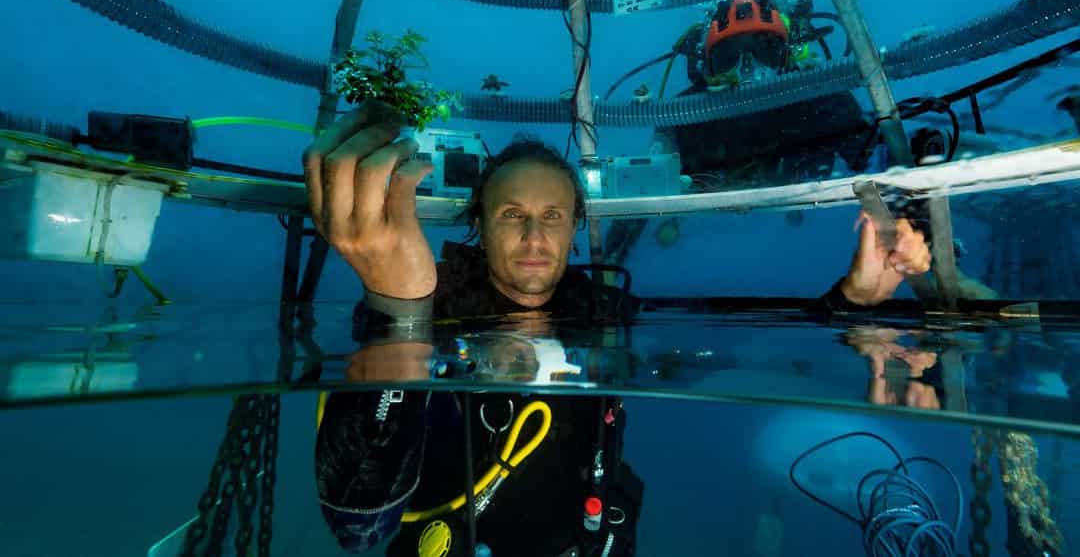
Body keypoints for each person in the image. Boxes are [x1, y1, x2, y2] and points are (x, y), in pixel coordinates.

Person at [301, 106, 931, 556]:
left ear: (575, 226)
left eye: (552, 215)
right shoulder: (423, 313)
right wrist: (401, 307)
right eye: (512, 215)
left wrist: (853, 301)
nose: (533, 236)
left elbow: (744, 333)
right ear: (479, 226)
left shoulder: (604, 314)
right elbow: (359, 527)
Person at [602, 0, 878, 265]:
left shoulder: (820, 98)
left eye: (764, 49)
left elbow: (876, 153)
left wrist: (917, 145)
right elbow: (642, 193)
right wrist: (608, 264)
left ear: (786, 56)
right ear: (708, 65)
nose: (748, 70)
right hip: (712, 216)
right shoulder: (685, 116)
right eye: (729, 56)